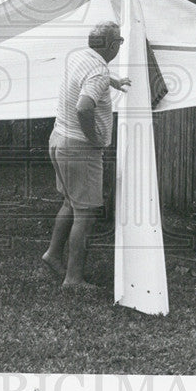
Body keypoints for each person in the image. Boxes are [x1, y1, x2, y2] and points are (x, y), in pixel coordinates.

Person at [42, 21, 131, 288]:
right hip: (79, 149)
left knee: (70, 203)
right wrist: (94, 138)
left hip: (58, 139)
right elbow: (83, 107)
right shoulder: (99, 73)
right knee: (86, 213)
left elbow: (87, 80)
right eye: (120, 42)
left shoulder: (80, 56)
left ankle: (52, 254)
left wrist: (113, 81)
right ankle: (73, 279)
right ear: (113, 45)